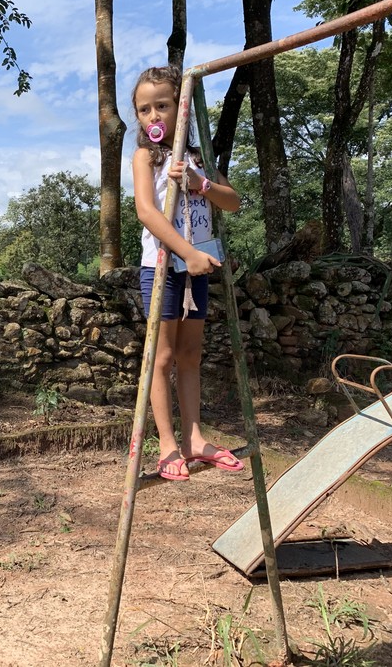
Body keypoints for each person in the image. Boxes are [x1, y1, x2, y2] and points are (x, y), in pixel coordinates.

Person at [131, 65, 245, 481]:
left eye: (162, 105)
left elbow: (232, 202)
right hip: (162, 268)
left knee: (190, 355)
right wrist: (185, 253)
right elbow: (147, 212)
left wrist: (201, 184)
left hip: (196, 267)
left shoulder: (199, 159)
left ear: (179, 106)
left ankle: (196, 438)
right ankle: (166, 444)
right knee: (161, 358)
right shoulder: (144, 157)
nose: (154, 116)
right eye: (145, 109)